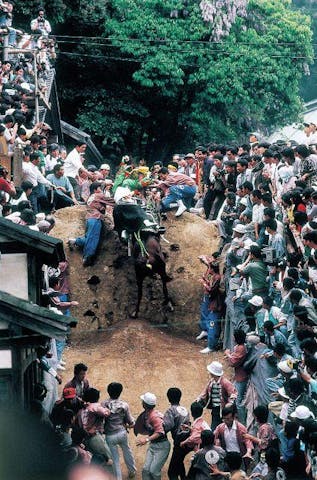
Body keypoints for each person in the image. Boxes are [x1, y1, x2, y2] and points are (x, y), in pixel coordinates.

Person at [68, 182, 114, 267]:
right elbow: (112, 201)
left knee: (89, 238)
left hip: (89, 219)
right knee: (93, 239)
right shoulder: (98, 195)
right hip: (95, 218)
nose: (101, 190)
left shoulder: (91, 197)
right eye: (100, 188)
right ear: (95, 190)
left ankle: (74, 241)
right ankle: (87, 258)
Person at [102, 382, 136, 480]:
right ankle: (132, 471)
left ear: (108, 392)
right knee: (127, 451)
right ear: (120, 392)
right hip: (122, 433)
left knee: (115, 460)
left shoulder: (104, 404)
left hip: (110, 436)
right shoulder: (124, 405)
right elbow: (131, 422)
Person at [135, 392, 171, 480]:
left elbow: (160, 432)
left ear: (145, 404)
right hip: (153, 446)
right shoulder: (148, 414)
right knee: (145, 470)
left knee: (154, 471)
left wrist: (146, 439)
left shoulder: (154, 416)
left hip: (162, 447)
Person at [196, 361, 237, 430]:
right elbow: (205, 391)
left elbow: (233, 393)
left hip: (224, 410)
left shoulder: (225, 382)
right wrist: (199, 398)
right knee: (214, 428)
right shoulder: (212, 382)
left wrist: (230, 403)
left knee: (225, 427)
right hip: (215, 409)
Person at [163, 387, 191, 480]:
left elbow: (167, 426)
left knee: (171, 473)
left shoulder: (170, 411)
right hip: (187, 440)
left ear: (169, 398)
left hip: (179, 443)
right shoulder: (185, 410)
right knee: (179, 463)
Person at [224, 329, 248, 423]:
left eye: (234, 336)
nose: (233, 337)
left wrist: (228, 354)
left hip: (241, 377)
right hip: (238, 376)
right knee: (234, 398)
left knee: (238, 401)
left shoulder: (241, 348)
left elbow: (234, 362)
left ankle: (242, 423)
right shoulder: (239, 346)